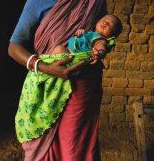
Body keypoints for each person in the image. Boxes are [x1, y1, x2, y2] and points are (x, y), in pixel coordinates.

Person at [8, 0, 109, 161]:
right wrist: (46, 68)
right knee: (40, 146)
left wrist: (99, 50)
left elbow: (100, 36)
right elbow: (14, 47)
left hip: (81, 84)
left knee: (74, 148)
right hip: (44, 84)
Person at [15, 14, 122, 145]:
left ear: (113, 35)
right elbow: (81, 39)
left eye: (111, 24)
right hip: (67, 54)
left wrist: (98, 54)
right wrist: (81, 32)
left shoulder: (100, 40)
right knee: (57, 50)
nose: (106, 23)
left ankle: (47, 72)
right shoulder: (89, 33)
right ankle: (48, 69)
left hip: (72, 60)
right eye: (104, 20)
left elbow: (102, 48)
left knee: (58, 50)